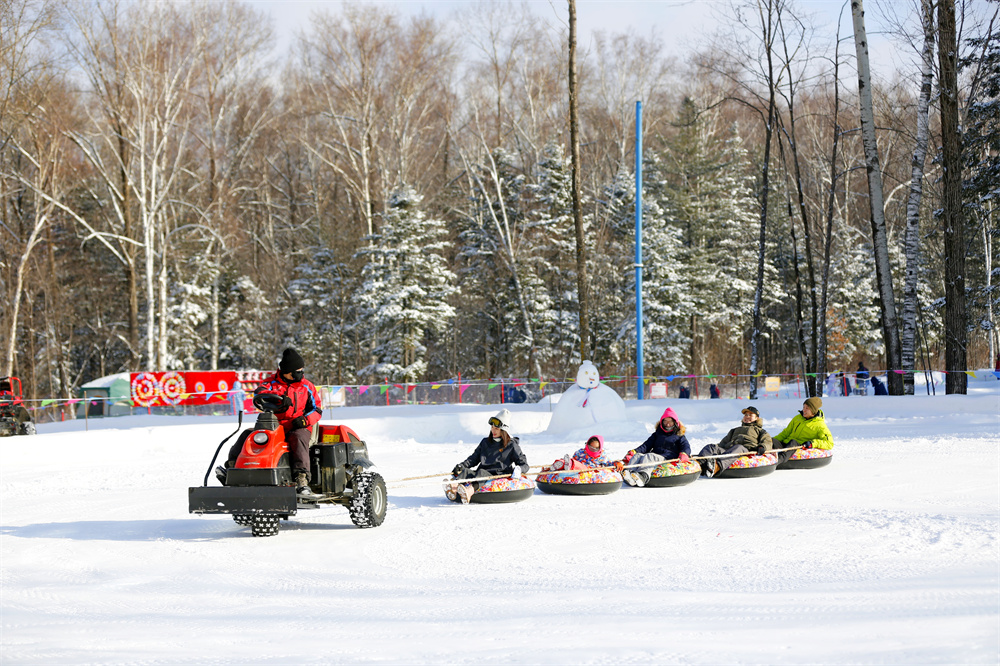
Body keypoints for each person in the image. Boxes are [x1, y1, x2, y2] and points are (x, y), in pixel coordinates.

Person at [230, 348, 323, 495]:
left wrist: (305, 420)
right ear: (288, 371)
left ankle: (301, 478)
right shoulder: (270, 383)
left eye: (301, 370)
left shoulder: (306, 386)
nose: (301, 373)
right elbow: (260, 392)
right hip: (273, 425)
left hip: (296, 425)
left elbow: (317, 409)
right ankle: (232, 470)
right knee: (247, 436)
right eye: (298, 370)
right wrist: (278, 395)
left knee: (298, 439)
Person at [448, 409, 528, 504]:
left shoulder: (511, 445)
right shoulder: (485, 442)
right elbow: (473, 459)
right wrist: (461, 466)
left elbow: (524, 464)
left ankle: (469, 491)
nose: (493, 430)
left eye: (496, 429)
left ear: (503, 430)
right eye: (492, 427)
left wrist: (519, 469)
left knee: (482, 473)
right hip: (481, 473)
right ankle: (453, 489)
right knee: (466, 472)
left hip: (498, 475)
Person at [614, 407, 691, 487]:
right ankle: (629, 474)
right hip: (655, 456)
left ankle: (643, 476)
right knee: (638, 456)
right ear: (662, 422)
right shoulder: (657, 434)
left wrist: (684, 453)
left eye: (670, 422)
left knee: (649, 456)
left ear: (675, 423)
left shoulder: (679, 435)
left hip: (668, 457)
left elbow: (686, 446)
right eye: (665, 421)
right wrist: (634, 452)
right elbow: (646, 445)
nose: (668, 424)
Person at [697, 406, 772, 478]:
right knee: (711, 447)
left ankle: (716, 467)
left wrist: (762, 446)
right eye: (746, 414)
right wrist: (715, 448)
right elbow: (723, 443)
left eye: (750, 415)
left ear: (756, 418)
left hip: (746, 450)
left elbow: (767, 441)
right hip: (730, 449)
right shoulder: (734, 430)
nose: (747, 416)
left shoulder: (760, 431)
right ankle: (698, 465)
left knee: (738, 447)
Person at [772, 396, 834, 464]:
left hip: (799, 446)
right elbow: (785, 433)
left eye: (807, 408)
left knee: (793, 442)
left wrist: (812, 443)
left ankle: (777, 461)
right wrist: (771, 440)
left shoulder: (820, 425)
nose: (804, 410)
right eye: (803, 407)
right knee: (771, 441)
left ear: (813, 410)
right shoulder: (797, 418)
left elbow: (829, 443)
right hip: (786, 444)